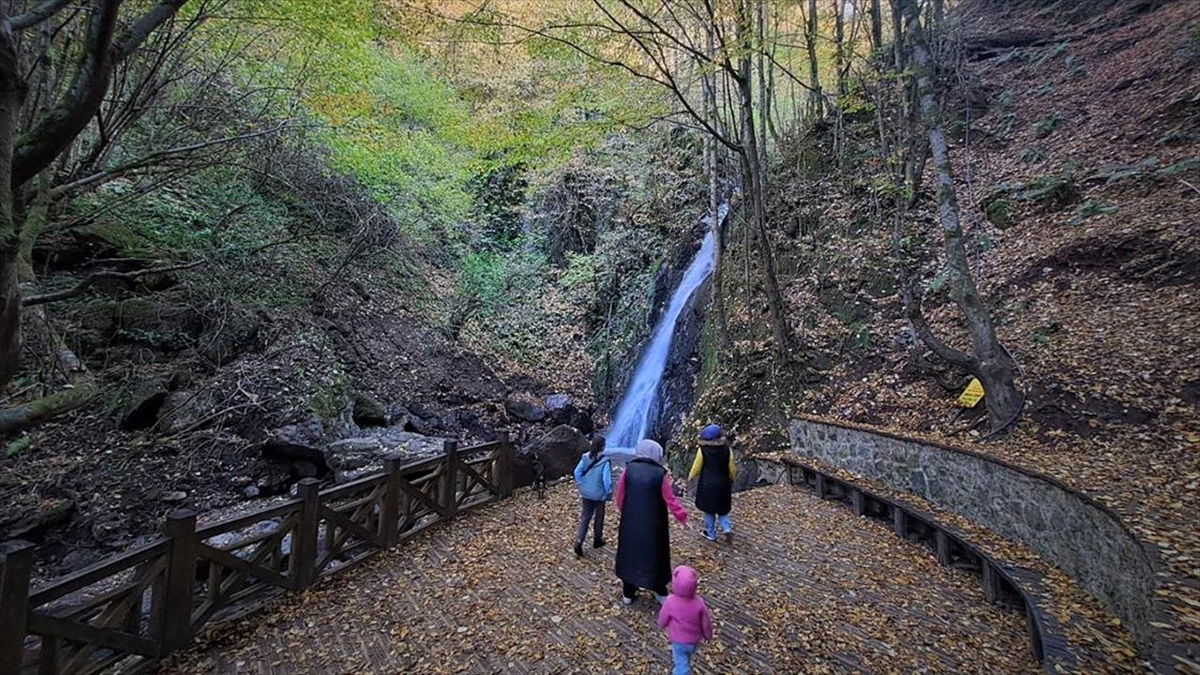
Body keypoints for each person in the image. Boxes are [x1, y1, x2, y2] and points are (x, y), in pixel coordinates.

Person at [615, 439, 688, 605]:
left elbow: (620, 495)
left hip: (631, 521)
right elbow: (670, 499)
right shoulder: (659, 474)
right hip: (654, 523)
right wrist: (681, 516)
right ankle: (659, 590)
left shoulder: (628, 470)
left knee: (630, 554)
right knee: (655, 554)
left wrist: (625, 512)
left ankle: (628, 592)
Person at [657, 565, 713, 675]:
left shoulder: (670, 601)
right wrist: (708, 635)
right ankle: (678, 670)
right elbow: (706, 623)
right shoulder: (699, 603)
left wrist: (660, 625)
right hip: (693, 641)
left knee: (681, 662)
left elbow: (663, 616)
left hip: (678, 640)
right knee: (685, 658)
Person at [689, 424, 736, 544]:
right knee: (723, 509)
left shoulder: (702, 450)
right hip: (723, 483)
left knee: (709, 510)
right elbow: (731, 467)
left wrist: (690, 477)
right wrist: (732, 478)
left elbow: (696, 466)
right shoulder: (727, 449)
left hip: (707, 484)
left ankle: (711, 534)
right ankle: (727, 528)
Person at [572, 435, 612, 558]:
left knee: (585, 517)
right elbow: (607, 480)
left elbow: (576, 472)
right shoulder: (605, 461)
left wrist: (581, 483)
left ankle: (579, 541)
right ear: (603, 447)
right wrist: (608, 492)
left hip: (586, 493)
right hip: (599, 494)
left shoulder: (585, 457)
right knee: (599, 517)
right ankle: (597, 540)